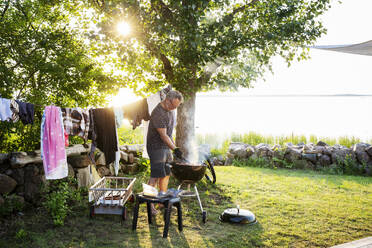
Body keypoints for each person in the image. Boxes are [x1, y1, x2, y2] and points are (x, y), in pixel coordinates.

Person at [146, 90, 184, 213]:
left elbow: (169, 134)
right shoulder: (158, 113)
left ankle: (162, 201)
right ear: (167, 101)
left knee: (166, 173)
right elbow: (163, 135)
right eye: (173, 105)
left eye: (176, 106)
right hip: (156, 147)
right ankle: (150, 205)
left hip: (166, 147)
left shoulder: (170, 111)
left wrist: (173, 148)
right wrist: (175, 149)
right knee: (155, 176)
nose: (174, 108)